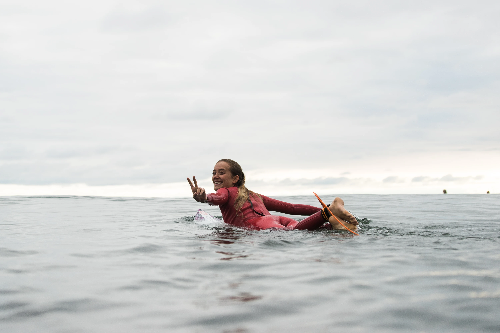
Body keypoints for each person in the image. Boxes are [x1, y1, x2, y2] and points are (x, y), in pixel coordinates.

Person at [187, 159, 358, 231]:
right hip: (279, 220)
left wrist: (203, 198)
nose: (215, 176)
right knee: (309, 231)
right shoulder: (254, 195)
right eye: (214, 172)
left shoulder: (225, 191)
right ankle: (333, 220)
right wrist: (320, 210)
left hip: (261, 226)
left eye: (221, 172)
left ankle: (328, 212)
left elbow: (218, 198)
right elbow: (292, 208)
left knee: (294, 235)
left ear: (235, 179)